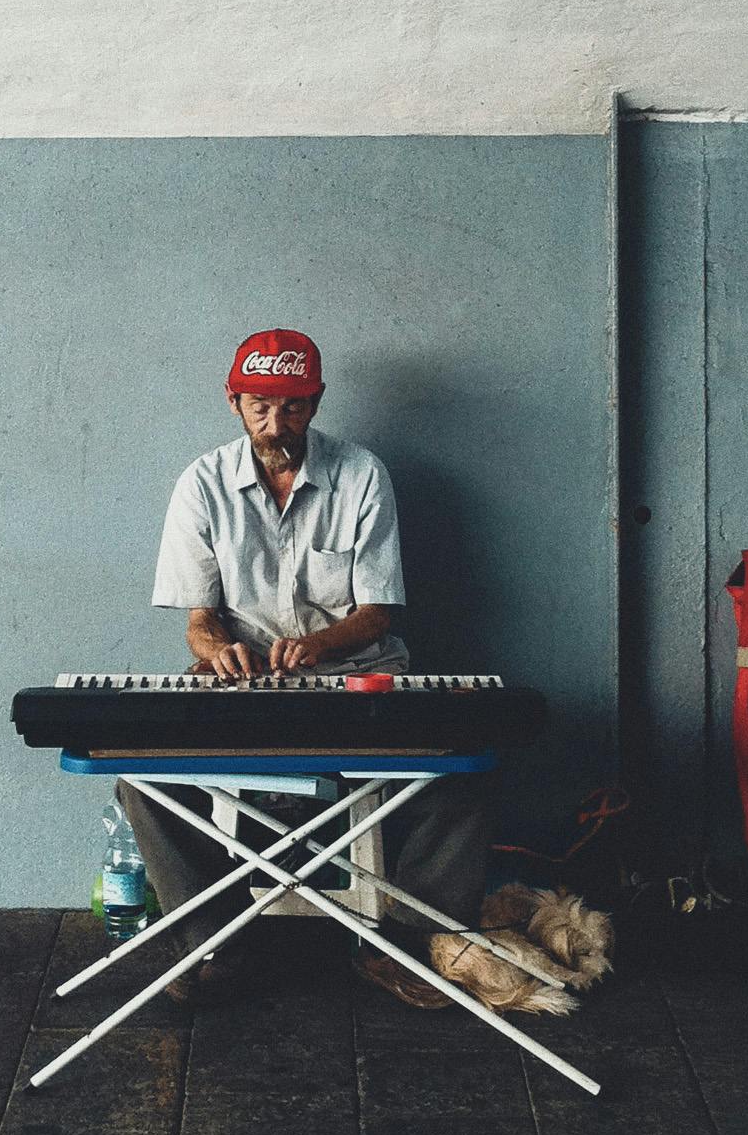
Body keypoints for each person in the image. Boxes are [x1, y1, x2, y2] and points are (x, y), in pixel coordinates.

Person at [115, 328, 492, 1008]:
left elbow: (379, 612)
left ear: (315, 402)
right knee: (142, 778)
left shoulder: (362, 475)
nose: (274, 422)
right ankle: (215, 941)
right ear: (234, 401)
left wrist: (321, 645)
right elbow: (199, 622)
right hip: (245, 682)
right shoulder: (201, 484)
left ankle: (401, 949)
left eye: (291, 407)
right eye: (259, 406)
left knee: (461, 776)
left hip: (360, 674)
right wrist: (216, 651)